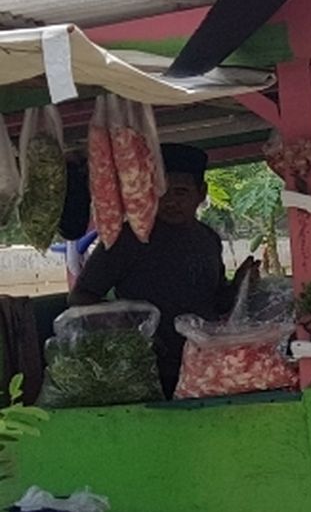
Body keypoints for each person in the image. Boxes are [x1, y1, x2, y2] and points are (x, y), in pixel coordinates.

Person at [69, 144, 258, 397]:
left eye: (181, 192)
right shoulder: (127, 238)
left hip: (205, 369)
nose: (170, 201)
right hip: (145, 370)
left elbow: (216, 302)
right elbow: (80, 296)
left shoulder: (207, 239)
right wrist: (133, 327)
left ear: (201, 192)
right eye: (162, 192)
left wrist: (240, 285)